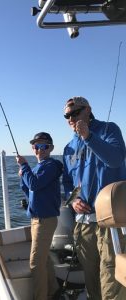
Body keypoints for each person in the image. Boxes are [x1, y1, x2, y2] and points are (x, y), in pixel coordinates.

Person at [62, 96, 126, 300]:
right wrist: (72, 200)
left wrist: (88, 136)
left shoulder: (109, 129)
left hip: (110, 222)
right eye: (67, 116)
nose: (71, 118)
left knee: (111, 276)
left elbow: (115, 160)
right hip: (83, 223)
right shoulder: (68, 147)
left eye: (75, 113)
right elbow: (68, 183)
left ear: (88, 110)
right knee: (90, 276)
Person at [16, 132, 63, 300]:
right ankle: (54, 290)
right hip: (36, 220)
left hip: (45, 220)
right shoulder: (38, 167)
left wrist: (24, 166)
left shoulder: (51, 165)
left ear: (50, 148)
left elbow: (35, 184)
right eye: (36, 146)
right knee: (44, 260)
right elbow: (29, 189)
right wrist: (23, 176)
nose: (39, 149)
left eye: (43, 146)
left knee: (35, 264)